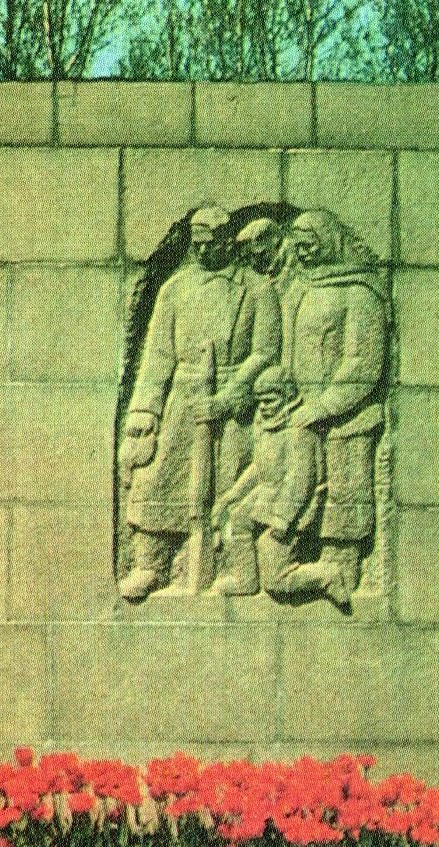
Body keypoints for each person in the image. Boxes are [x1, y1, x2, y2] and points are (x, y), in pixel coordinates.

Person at [117, 206, 281, 600]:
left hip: (234, 404)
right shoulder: (176, 288)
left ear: (227, 241)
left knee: (230, 490)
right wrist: (145, 410)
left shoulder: (257, 289)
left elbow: (266, 351)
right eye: (197, 244)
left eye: (211, 244)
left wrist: (230, 396)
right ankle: (151, 565)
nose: (203, 251)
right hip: (184, 397)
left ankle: (234, 567)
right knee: (158, 477)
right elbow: (158, 354)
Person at [278, 209, 388, 598]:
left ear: (330, 242)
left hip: (347, 419)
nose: (303, 253)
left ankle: (341, 568)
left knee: (344, 494)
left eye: (310, 245)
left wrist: (325, 406)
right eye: (298, 246)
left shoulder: (359, 293)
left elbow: (364, 363)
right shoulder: (300, 290)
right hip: (302, 414)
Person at [210, 367, 347, 604]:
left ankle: (326, 576)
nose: (263, 407)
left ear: (287, 397)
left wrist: (282, 519)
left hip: (293, 507)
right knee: (237, 517)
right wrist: (232, 495)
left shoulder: (298, 431)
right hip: (267, 494)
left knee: (276, 580)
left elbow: (300, 482)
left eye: (269, 401)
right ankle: (245, 578)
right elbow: (258, 468)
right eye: (260, 401)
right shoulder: (267, 426)